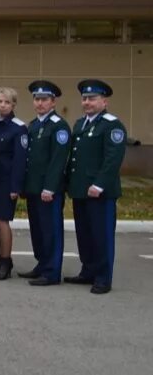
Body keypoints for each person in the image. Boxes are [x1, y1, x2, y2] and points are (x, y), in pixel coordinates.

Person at [64, 79, 127, 295]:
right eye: (84, 98)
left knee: (102, 236)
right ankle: (88, 271)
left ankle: (103, 278)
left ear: (104, 101)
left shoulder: (112, 125)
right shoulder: (80, 124)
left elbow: (113, 159)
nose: (87, 102)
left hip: (100, 192)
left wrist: (99, 184)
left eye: (92, 98)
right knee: (85, 234)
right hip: (81, 190)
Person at [20, 80, 71, 287]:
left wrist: (50, 187)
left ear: (53, 102)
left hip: (49, 190)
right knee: (38, 230)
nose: (39, 103)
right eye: (36, 99)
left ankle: (52, 272)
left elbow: (58, 161)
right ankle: (42, 265)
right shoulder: (33, 125)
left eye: (44, 99)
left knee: (51, 230)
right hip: (34, 188)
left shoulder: (59, 126)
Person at [0, 87, 28, 280]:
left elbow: (20, 160)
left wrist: (15, 187)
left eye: (7, 102)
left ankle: (6, 262)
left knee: (3, 222)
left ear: (13, 105)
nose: (2, 105)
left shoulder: (19, 128)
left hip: (6, 183)